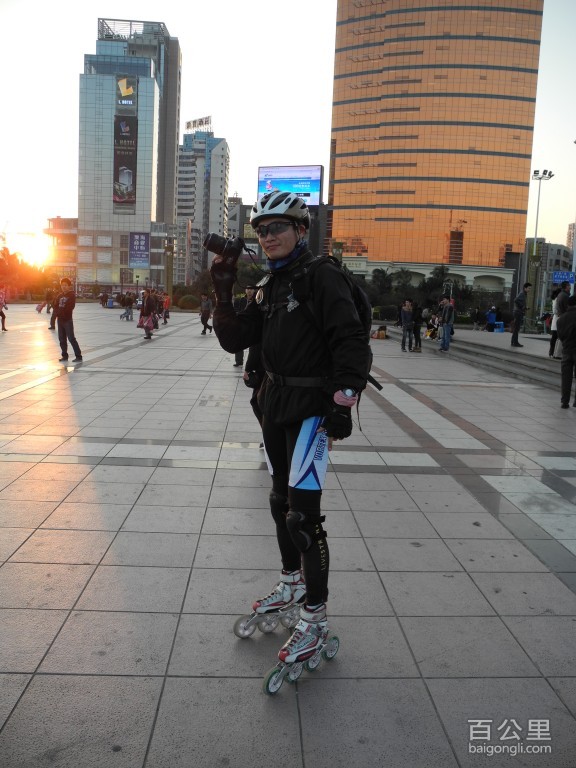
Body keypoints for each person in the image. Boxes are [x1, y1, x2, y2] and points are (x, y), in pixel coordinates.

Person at [209, 190, 370, 669]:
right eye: (261, 229)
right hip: (275, 405)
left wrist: (343, 401)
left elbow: (350, 338)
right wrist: (222, 288)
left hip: (313, 411)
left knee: (303, 517)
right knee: (279, 501)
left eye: (278, 227)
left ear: (301, 230)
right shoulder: (269, 284)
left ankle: (315, 617)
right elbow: (234, 339)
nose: (268, 235)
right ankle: (292, 583)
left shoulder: (322, 276)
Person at [53, 277, 82, 362]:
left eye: (65, 285)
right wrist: (57, 313)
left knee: (71, 338)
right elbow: (55, 305)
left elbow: (70, 307)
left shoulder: (71, 295)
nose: (64, 287)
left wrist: (62, 313)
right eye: (62, 285)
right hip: (60, 320)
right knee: (62, 339)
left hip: (67, 320)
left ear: (69, 286)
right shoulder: (59, 295)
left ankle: (78, 356)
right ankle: (64, 355)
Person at [556, 295, 576, 408]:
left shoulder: (561, 319)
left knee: (566, 378)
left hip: (566, 350)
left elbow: (560, 336)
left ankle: (565, 402)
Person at [233, 286, 257, 366]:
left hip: (252, 326)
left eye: (251, 289)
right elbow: (236, 310)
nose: (249, 291)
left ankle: (253, 363)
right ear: (245, 290)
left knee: (254, 347)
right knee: (238, 343)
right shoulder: (241, 300)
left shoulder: (257, 300)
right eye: (248, 289)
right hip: (242, 325)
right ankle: (239, 361)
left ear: (254, 290)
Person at [511, 282, 531, 347]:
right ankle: (515, 342)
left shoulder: (524, 294)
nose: (529, 290)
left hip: (518, 312)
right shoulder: (522, 293)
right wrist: (522, 307)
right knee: (517, 328)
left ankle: (513, 342)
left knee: (516, 328)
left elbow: (519, 301)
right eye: (529, 288)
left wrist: (525, 307)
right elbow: (516, 300)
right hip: (518, 312)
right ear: (525, 288)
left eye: (530, 288)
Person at [548, 288, 561, 358]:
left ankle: (552, 352)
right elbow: (554, 311)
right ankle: (552, 352)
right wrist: (560, 313)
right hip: (557, 321)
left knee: (554, 338)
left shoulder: (556, 299)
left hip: (556, 321)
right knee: (555, 338)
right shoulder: (556, 300)